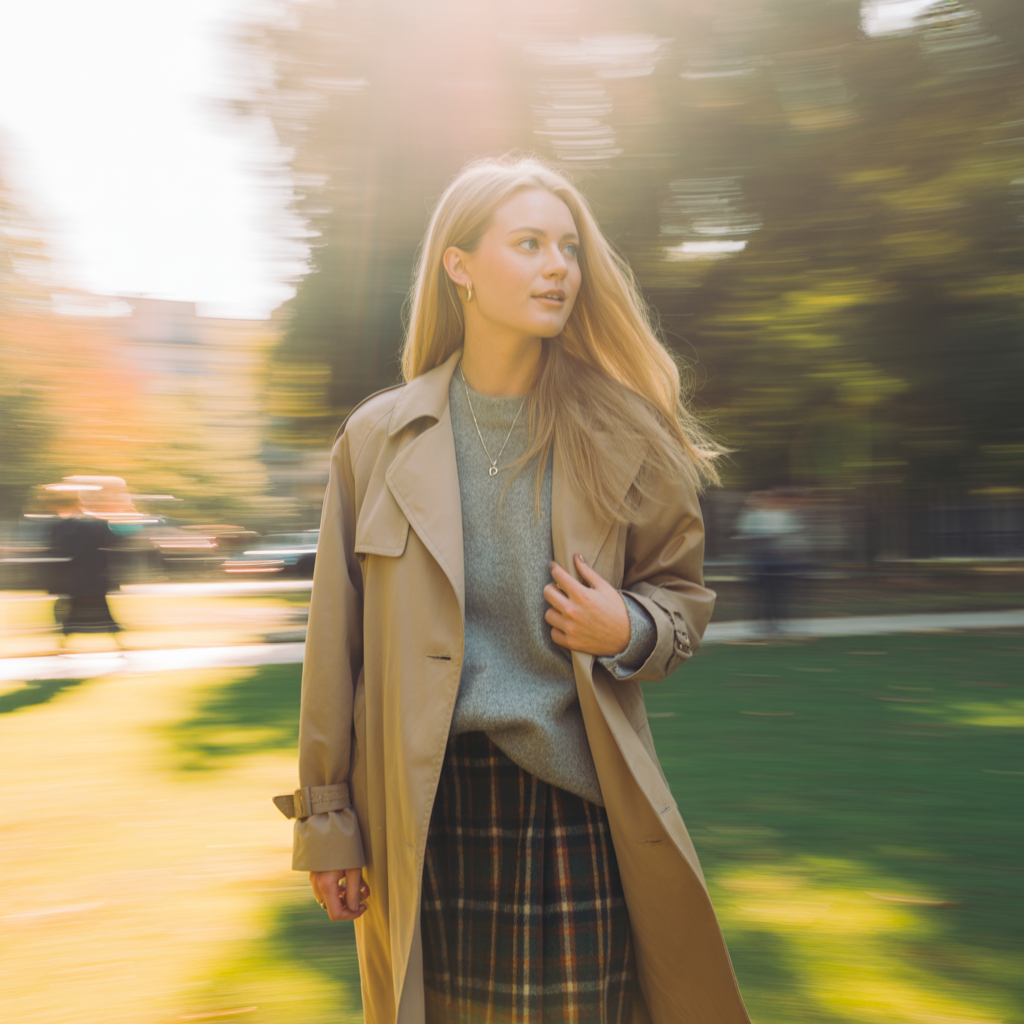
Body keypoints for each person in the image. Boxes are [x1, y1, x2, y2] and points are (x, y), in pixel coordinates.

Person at [275, 155, 750, 1024]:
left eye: (568, 248)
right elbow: (332, 652)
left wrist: (628, 629)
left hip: (577, 817)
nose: (558, 267)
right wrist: (328, 822)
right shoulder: (374, 440)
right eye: (529, 244)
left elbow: (680, 601)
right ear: (459, 265)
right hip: (425, 821)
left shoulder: (624, 432)